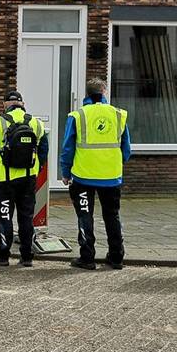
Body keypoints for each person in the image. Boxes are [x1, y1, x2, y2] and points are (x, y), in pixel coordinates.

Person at [60, 78, 131, 270]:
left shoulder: (77, 116)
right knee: (112, 216)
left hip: (83, 177)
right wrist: (114, 163)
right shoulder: (119, 115)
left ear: (87, 94)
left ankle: (87, 258)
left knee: (85, 216)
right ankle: (116, 257)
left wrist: (65, 172)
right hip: (111, 177)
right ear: (104, 92)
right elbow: (126, 149)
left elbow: (68, 148)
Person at [0, 90, 49, 268]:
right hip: (28, 179)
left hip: (4, 179)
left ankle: (2, 254)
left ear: (5, 105)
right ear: (22, 103)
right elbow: (44, 150)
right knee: (26, 217)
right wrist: (36, 167)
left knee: (5, 216)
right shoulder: (36, 123)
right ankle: (27, 256)